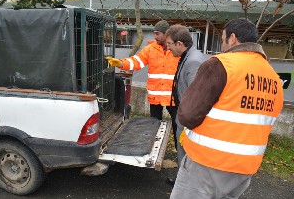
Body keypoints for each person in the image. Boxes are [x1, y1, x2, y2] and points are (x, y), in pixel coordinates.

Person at [171, 18, 284, 199]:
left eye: (223, 39)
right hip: (244, 168)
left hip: (207, 163)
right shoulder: (273, 78)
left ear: (232, 39)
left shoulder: (221, 64)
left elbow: (187, 115)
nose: (222, 45)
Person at [106, 20, 180, 150]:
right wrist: (121, 63)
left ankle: (178, 149)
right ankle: (152, 148)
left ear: (166, 34)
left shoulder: (175, 50)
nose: (155, 37)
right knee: (153, 125)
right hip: (155, 97)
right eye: (154, 34)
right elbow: (136, 61)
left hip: (172, 97)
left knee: (177, 125)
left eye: (157, 34)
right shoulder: (150, 49)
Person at [164, 24, 207, 186]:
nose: (167, 48)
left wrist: (185, 120)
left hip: (189, 118)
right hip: (184, 113)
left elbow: (197, 98)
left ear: (179, 44)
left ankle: (185, 185)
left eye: (169, 44)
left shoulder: (193, 61)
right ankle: (183, 180)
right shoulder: (190, 56)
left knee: (187, 151)